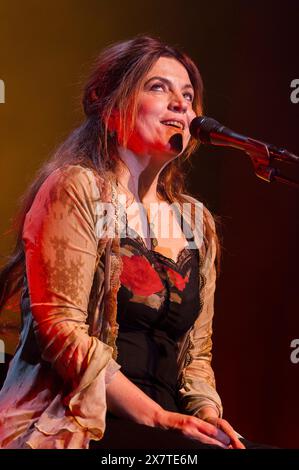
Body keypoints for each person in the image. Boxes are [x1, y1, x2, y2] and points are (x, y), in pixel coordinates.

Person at [0, 35, 265, 450]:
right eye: (158, 87)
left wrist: (209, 418)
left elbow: (195, 357)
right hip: (83, 417)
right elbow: (61, 332)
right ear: (109, 106)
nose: (180, 103)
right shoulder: (77, 188)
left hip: (165, 419)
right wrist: (159, 418)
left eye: (188, 95)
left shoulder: (197, 221)